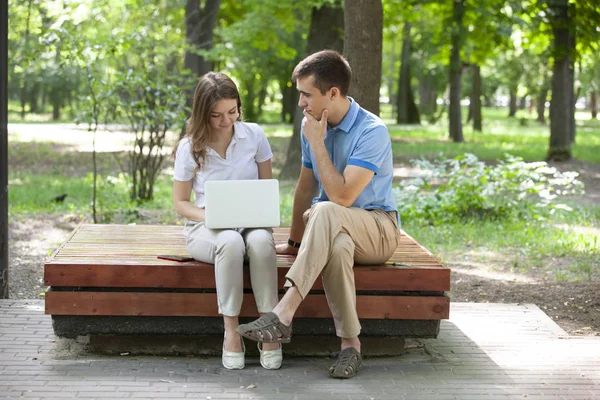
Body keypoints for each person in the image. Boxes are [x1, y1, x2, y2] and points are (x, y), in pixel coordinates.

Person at [237, 50, 400, 379]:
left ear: (333, 94)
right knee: (337, 248)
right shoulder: (311, 126)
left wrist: (319, 144)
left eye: (306, 94)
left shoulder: (372, 131)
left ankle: (283, 312)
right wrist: (295, 242)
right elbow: (303, 189)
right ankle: (350, 346)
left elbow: (342, 196)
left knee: (326, 208)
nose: (301, 103)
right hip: (333, 229)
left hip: (377, 228)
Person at [173, 72, 282, 370]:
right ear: (202, 113)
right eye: (217, 115)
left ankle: (269, 327)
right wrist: (211, 216)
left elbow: (265, 189)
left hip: (252, 223)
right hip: (206, 228)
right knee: (231, 242)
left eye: (232, 111)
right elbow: (180, 202)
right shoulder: (189, 147)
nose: (227, 121)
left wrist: (261, 218)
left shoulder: (255, 135)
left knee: (260, 241)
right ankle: (231, 331)